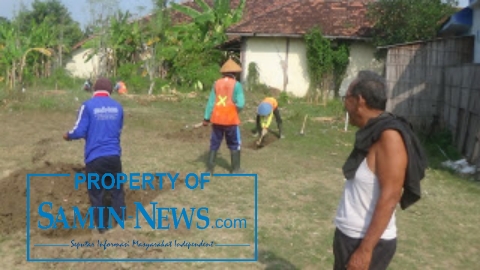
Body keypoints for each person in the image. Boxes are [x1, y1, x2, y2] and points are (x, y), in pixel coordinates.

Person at [333, 70, 428, 270]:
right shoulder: (372, 132)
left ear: (359, 100)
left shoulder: (389, 137)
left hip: (366, 242)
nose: (345, 105)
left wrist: (365, 250)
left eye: (346, 98)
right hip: (350, 236)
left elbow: (391, 196)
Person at [63, 77, 126, 234]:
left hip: (95, 158)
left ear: (94, 90)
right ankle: (120, 228)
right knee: (117, 192)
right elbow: (117, 129)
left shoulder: (88, 106)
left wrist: (68, 135)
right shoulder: (118, 107)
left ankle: (102, 230)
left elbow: (79, 131)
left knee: (97, 194)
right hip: (114, 157)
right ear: (110, 91)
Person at [203, 58, 246, 174]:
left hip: (216, 119)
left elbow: (211, 102)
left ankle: (209, 169)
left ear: (223, 73)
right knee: (234, 143)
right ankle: (236, 169)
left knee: (215, 143)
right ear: (235, 73)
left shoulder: (216, 84)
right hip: (231, 120)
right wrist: (235, 111)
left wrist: (206, 118)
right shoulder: (236, 85)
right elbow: (241, 103)